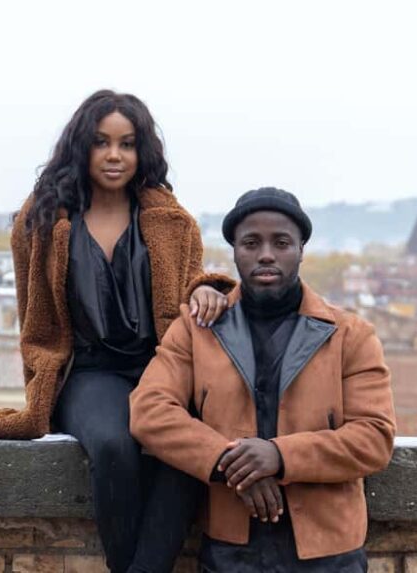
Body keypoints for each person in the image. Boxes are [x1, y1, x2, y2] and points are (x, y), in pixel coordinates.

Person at [0, 90, 235, 573]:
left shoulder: (172, 221)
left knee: (189, 452)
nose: (115, 155)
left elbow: (189, 281)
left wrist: (208, 290)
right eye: (102, 142)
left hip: (161, 366)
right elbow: (34, 316)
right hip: (87, 371)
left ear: (143, 152)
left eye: (128, 144)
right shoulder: (41, 222)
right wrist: (39, 378)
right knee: (115, 446)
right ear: (81, 147)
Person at [130, 187, 396, 572]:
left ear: (301, 248)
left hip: (329, 552)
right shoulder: (197, 329)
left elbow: (373, 437)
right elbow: (149, 411)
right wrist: (229, 462)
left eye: (281, 242)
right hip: (231, 549)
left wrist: (279, 456)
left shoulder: (350, 335)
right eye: (251, 242)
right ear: (235, 251)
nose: (266, 254)